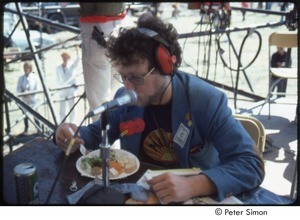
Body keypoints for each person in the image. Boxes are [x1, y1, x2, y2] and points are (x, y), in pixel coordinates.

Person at [54, 13, 266, 204]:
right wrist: (70, 136)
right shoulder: (124, 99)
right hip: (141, 197)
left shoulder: (206, 101)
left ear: (167, 66)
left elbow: (250, 165)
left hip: (193, 198)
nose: (127, 87)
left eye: (136, 77)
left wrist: (196, 184)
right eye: (123, 76)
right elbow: (91, 135)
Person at [79, 3, 126, 122]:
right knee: (116, 95)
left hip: (95, 30)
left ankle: (104, 137)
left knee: (99, 104)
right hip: (118, 30)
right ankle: (114, 137)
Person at [56, 50, 80, 123]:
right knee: (62, 110)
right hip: (62, 90)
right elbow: (58, 78)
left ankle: (72, 123)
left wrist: (76, 49)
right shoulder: (58, 67)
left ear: (68, 58)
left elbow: (78, 59)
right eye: (63, 57)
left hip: (70, 90)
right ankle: (63, 123)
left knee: (72, 108)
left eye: (66, 57)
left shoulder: (72, 66)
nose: (64, 58)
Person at [17, 61, 40, 135]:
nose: (25, 69)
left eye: (27, 67)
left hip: (33, 100)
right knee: (25, 115)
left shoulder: (34, 77)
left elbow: (37, 88)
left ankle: (38, 128)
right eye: (24, 67)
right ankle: (26, 129)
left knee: (35, 114)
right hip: (24, 100)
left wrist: (30, 93)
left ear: (30, 68)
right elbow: (18, 88)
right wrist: (23, 92)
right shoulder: (21, 78)